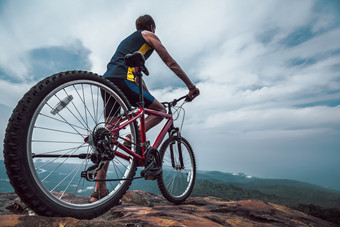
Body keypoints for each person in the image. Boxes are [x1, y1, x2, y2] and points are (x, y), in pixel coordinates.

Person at [90, 14, 200, 202]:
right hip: (123, 80)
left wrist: (149, 97)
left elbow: (137, 78)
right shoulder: (148, 35)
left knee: (108, 137)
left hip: (108, 82)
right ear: (150, 26)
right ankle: (130, 137)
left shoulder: (128, 44)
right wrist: (191, 86)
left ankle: (98, 191)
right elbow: (170, 61)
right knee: (161, 111)